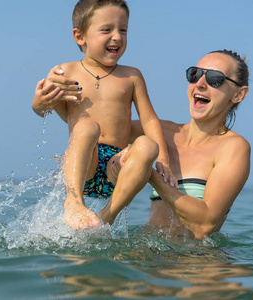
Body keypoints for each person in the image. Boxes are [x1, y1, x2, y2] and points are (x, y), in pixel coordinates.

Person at [36, 49, 251, 240]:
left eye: (215, 79)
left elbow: (205, 224)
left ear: (239, 94)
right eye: (195, 75)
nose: (200, 84)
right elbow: (94, 128)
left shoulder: (234, 147)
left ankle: (106, 218)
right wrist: (53, 94)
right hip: (146, 255)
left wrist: (151, 174)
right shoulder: (163, 133)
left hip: (196, 268)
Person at [31, 0, 174, 230]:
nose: (117, 36)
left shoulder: (132, 76)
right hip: (83, 163)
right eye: (107, 29)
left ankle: (107, 216)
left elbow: (149, 119)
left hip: (117, 166)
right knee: (88, 126)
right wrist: (39, 102)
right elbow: (44, 108)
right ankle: (74, 201)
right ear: (80, 36)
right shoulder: (66, 72)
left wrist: (164, 159)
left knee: (147, 145)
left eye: (123, 29)